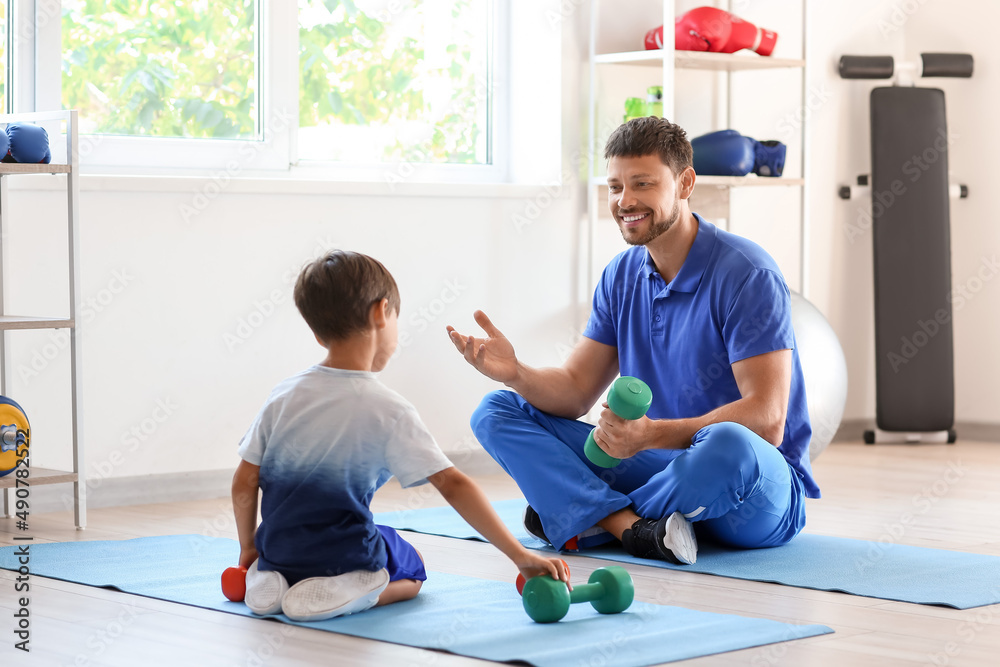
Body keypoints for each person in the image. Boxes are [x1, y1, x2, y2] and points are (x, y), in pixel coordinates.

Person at [447, 117, 820, 566]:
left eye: (642, 184)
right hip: (663, 469)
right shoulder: (621, 275)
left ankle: (593, 520)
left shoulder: (747, 274)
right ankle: (637, 530)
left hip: (751, 488)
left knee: (728, 443)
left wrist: (647, 436)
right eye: (615, 186)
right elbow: (574, 390)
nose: (626, 201)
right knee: (496, 410)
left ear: (685, 184)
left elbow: (766, 420)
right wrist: (517, 374)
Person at [231, 250, 569, 622]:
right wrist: (520, 555)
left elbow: (245, 481)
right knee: (415, 567)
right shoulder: (387, 409)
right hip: (342, 556)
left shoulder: (282, 395)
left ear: (316, 331)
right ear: (381, 313)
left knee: (353, 536)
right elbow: (453, 485)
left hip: (275, 550)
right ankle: (351, 591)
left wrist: (249, 548)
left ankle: (268, 579)